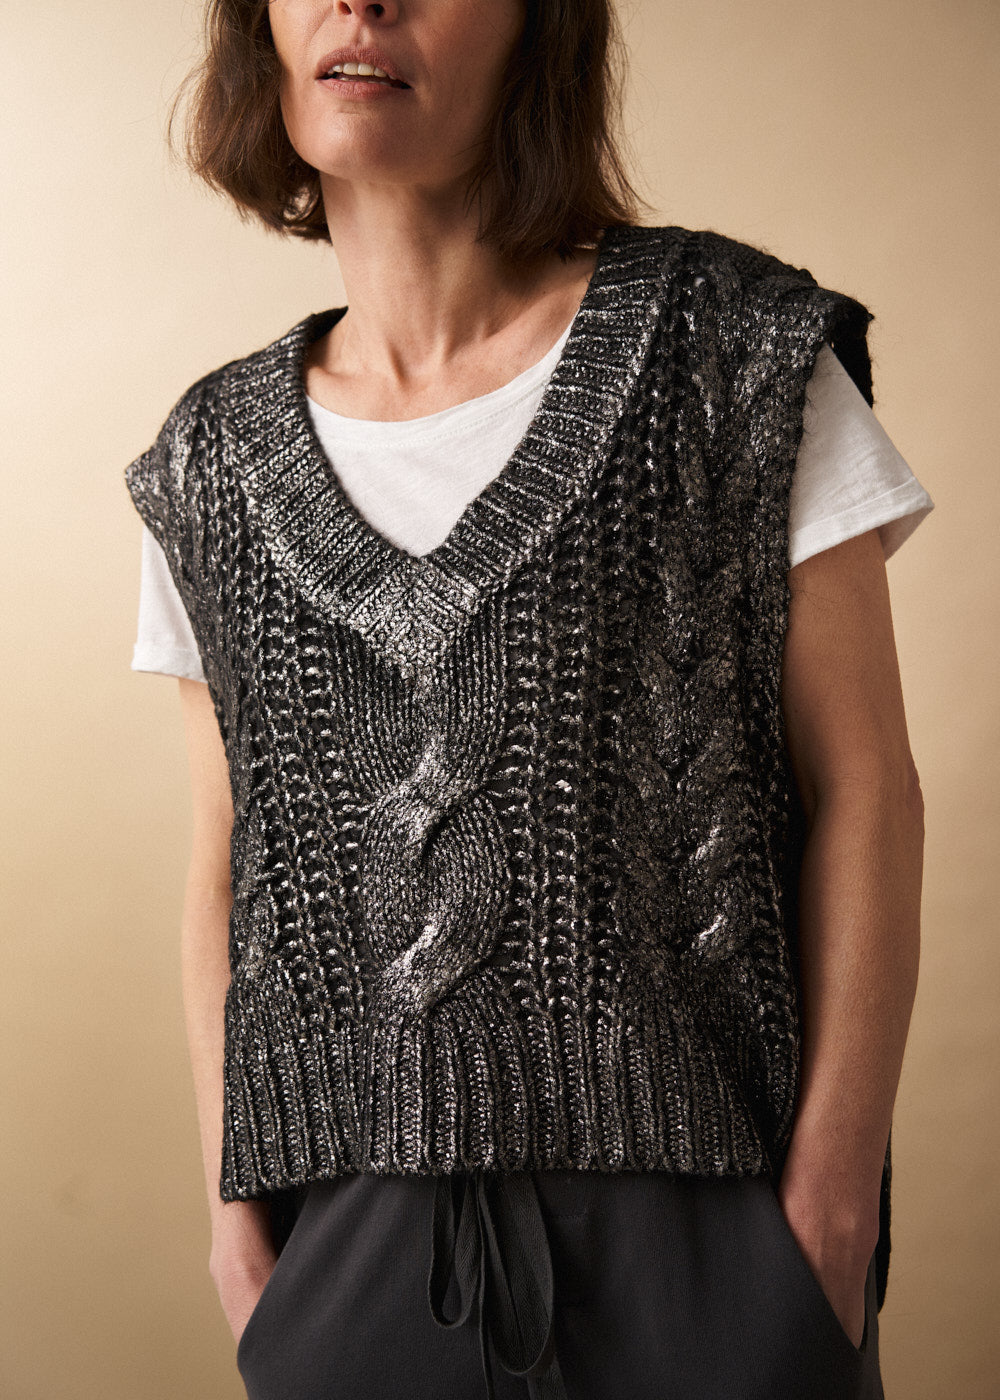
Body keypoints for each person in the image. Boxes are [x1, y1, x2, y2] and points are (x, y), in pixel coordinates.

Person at [125, 2, 932, 1397]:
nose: (361, 2)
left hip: (708, 1246)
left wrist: (828, 1215)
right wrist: (237, 1239)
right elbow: (226, 865)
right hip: (353, 1257)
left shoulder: (731, 352)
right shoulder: (211, 463)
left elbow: (868, 789)